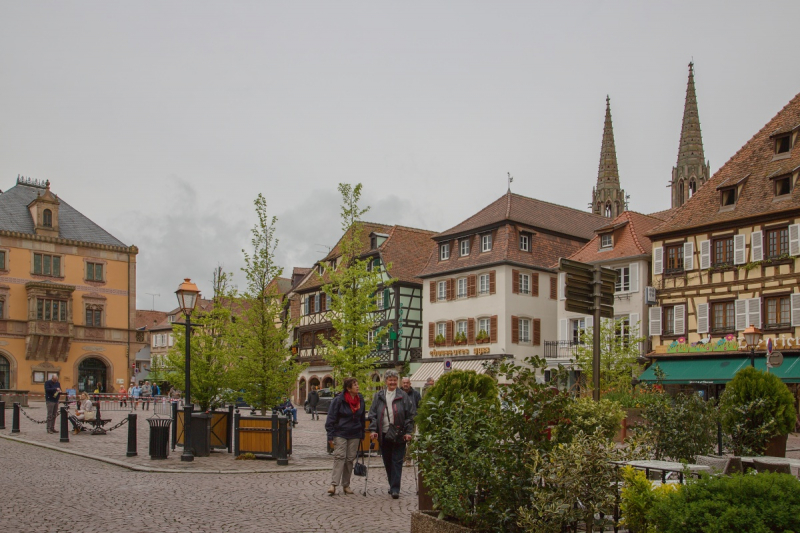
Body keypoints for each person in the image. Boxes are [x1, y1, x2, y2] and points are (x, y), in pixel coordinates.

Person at [368, 369, 416, 499]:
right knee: (388, 461)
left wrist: (408, 432)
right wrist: (373, 430)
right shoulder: (379, 396)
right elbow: (372, 415)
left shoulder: (403, 396)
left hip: (399, 433)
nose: (393, 382)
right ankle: (392, 485)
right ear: (386, 381)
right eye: (390, 380)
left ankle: (395, 489)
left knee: (397, 461)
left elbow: (410, 415)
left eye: (395, 380)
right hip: (383, 433)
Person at [325, 378, 366, 496]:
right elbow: (331, 418)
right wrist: (330, 435)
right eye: (355, 385)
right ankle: (333, 484)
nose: (357, 386)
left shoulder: (360, 400)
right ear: (348, 388)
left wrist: (362, 433)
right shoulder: (339, 400)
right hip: (340, 432)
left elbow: (362, 417)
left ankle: (346, 485)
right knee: (340, 457)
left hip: (354, 433)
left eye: (357, 384)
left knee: (349, 459)